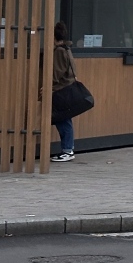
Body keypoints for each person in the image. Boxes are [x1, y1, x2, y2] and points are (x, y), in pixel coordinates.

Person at [51, 22, 77, 162]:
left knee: (63, 119)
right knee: (64, 119)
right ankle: (67, 149)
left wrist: (49, 87)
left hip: (61, 90)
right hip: (66, 88)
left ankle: (67, 150)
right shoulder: (66, 48)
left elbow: (56, 74)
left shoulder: (59, 51)